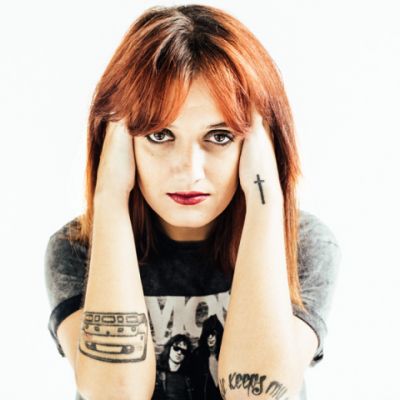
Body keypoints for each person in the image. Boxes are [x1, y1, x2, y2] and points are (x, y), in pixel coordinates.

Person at [44, 4, 342, 400]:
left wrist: (266, 200)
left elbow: (257, 395)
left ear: (261, 146)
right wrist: (110, 198)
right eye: (160, 135)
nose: (189, 170)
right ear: (120, 142)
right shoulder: (78, 250)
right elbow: (115, 395)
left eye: (219, 136)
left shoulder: (302, 245)